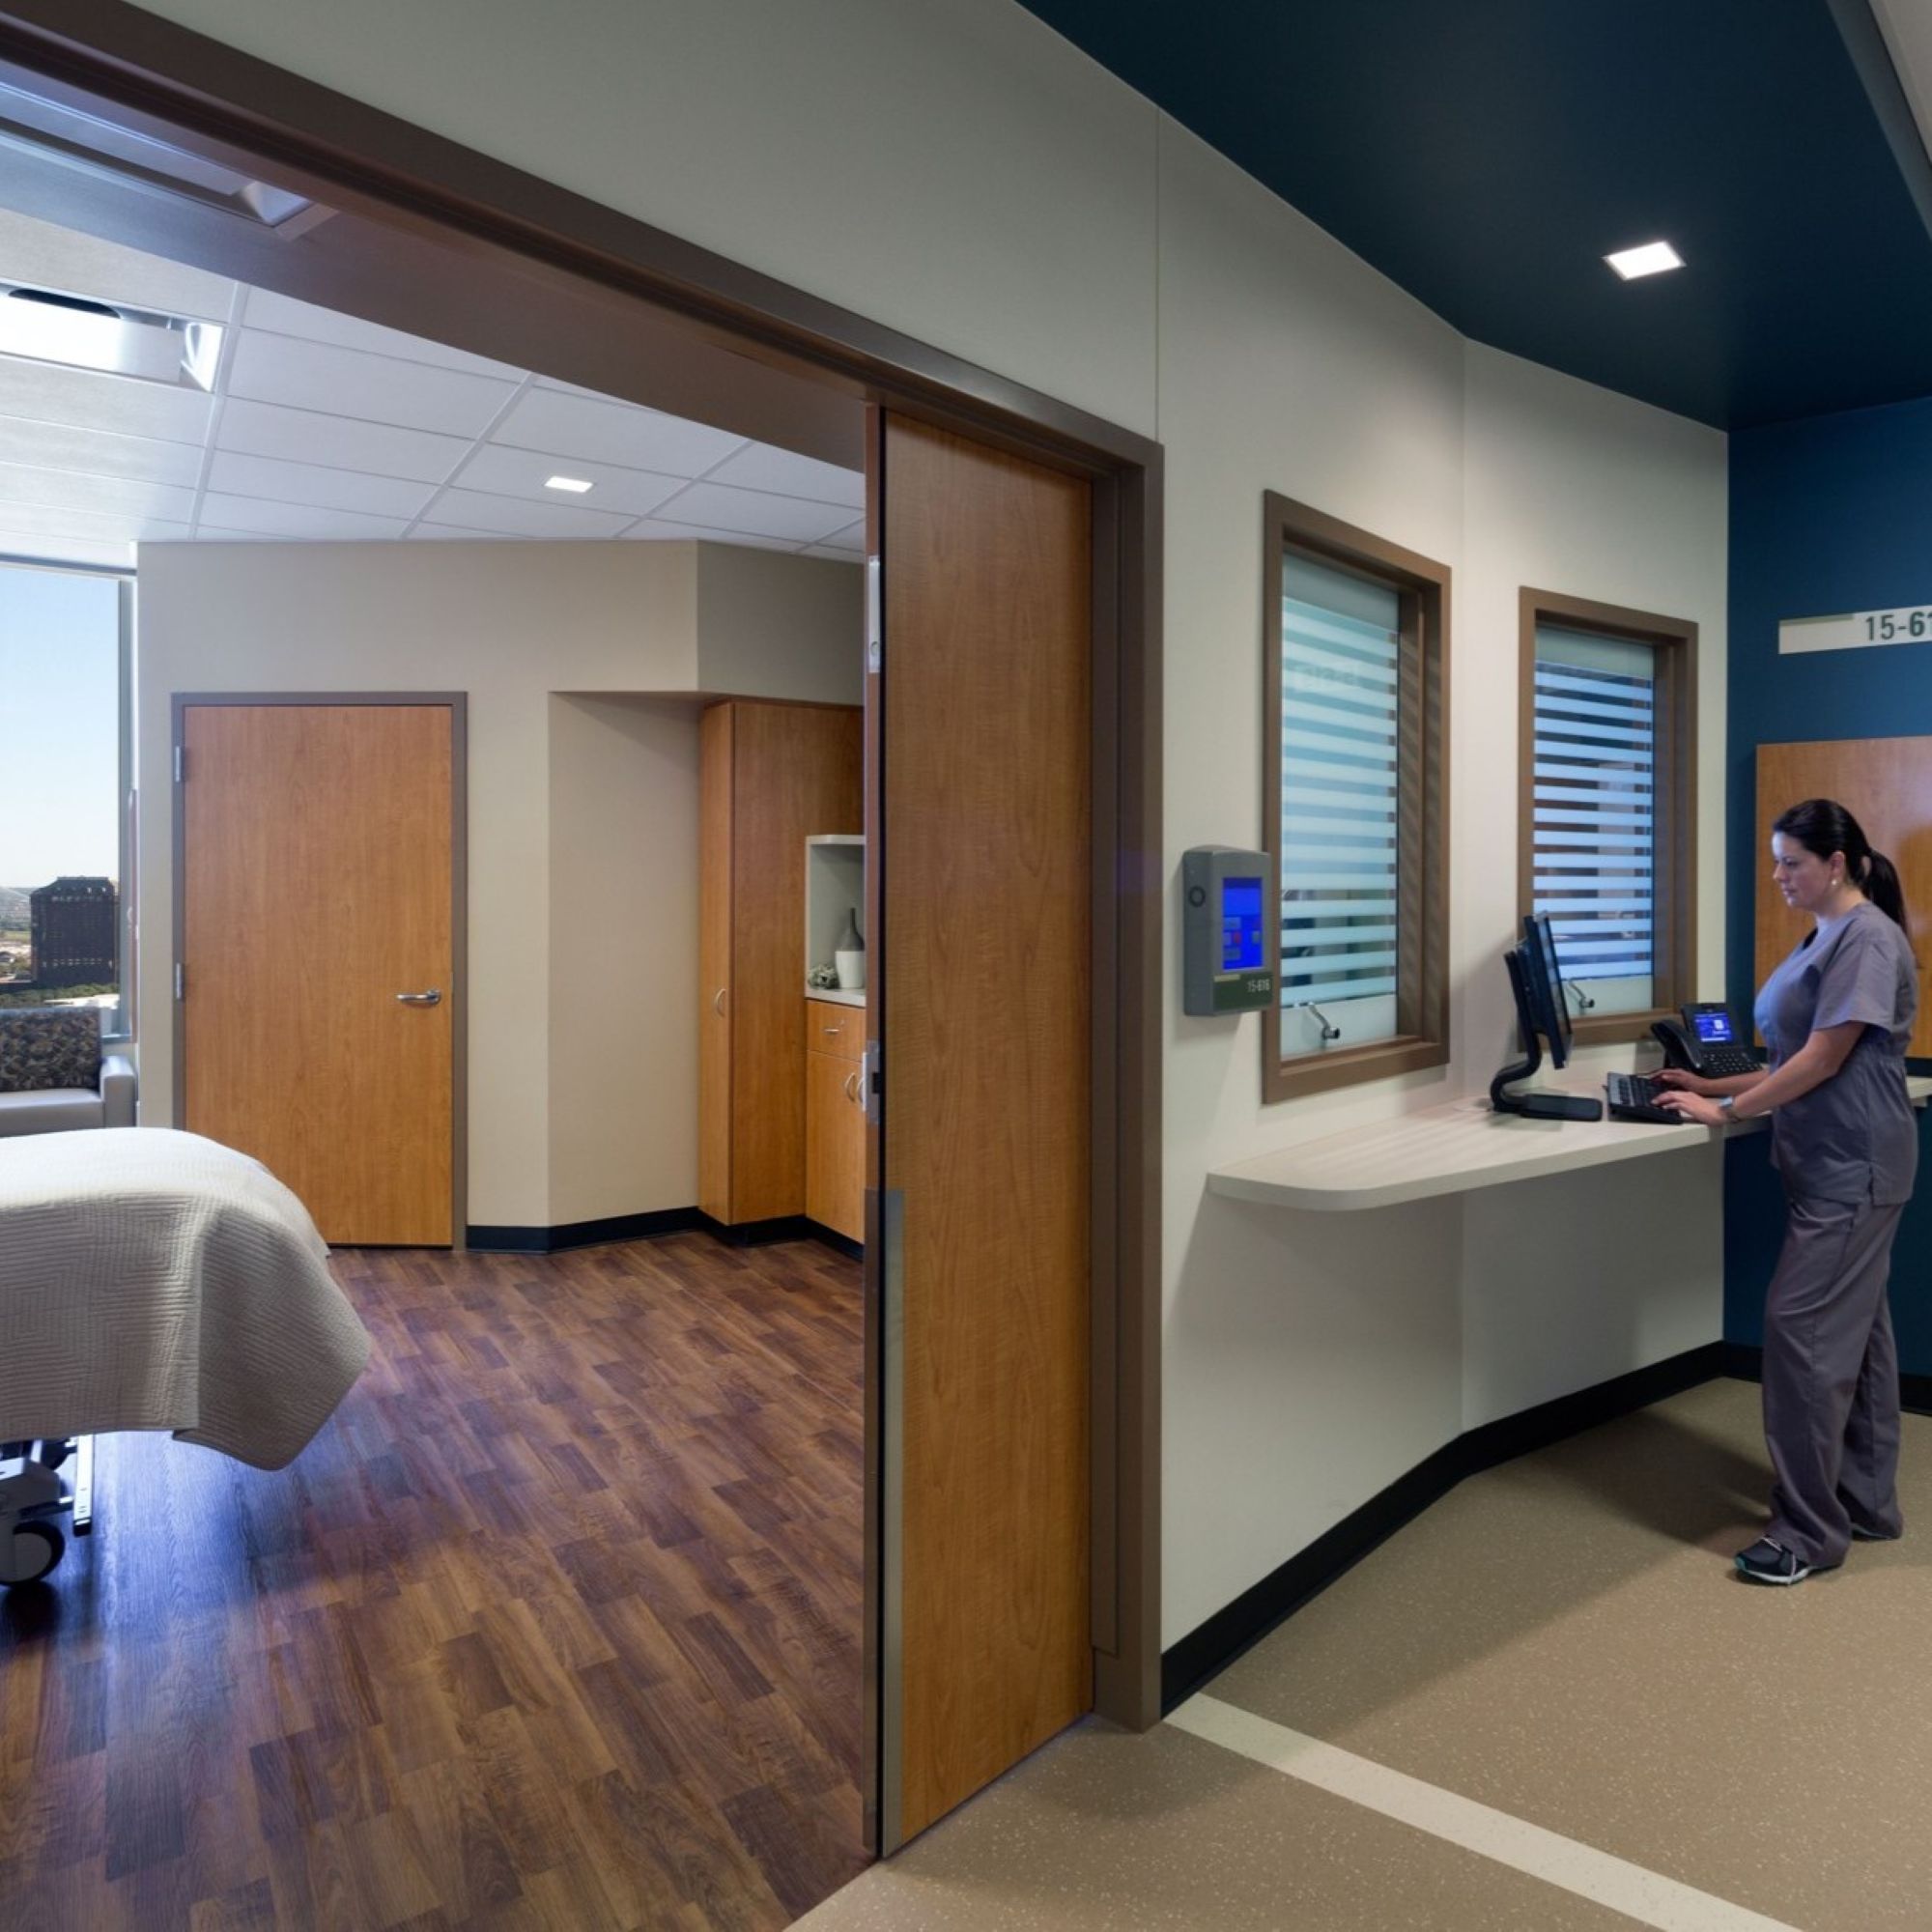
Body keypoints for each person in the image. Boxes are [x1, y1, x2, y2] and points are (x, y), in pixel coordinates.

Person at [1658, 798, 1918, 1584]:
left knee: (1800, 1331)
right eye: (1775, 861)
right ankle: (1866, 1503)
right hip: (1834, 1166)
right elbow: (1790, 1055)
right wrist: (1708, 1082)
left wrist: (1728, 1111)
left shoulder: (1867, 937)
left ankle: (1807, 1534)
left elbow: (1826, 1057)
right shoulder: (1825, 934)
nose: (1777, 875)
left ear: (1835, 864)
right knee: (1859, 1333)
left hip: (1854, 1168)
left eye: (1790, 862)